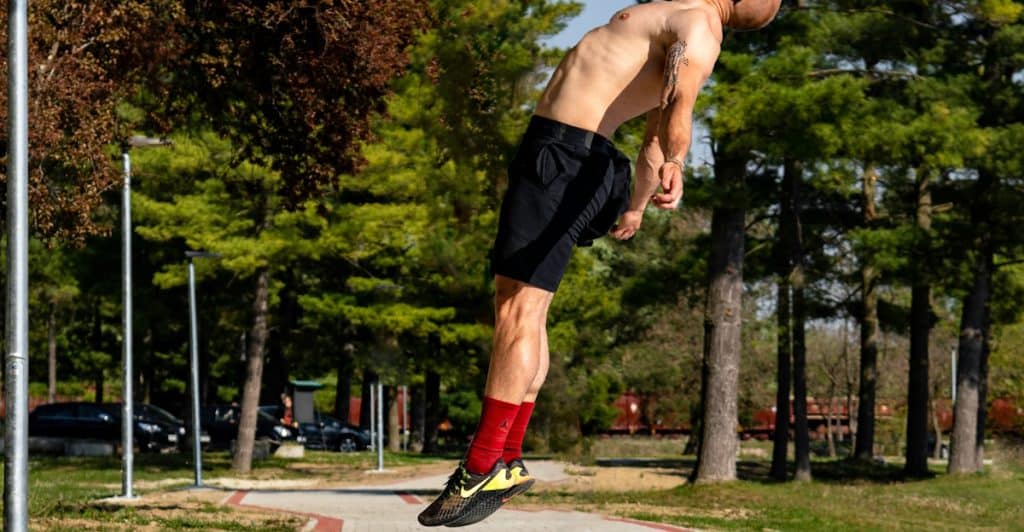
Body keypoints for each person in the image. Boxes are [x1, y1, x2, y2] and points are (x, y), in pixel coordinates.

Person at [418, 0, 781, 527]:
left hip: (565, 157)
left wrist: (676, 163)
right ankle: (509, 457)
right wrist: (635, 204)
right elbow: (652, 133)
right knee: (524, 311)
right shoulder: (675, 14)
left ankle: (479, 466)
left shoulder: (699, 25)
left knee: (517, 313)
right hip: (567, 156)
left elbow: (677, 110)